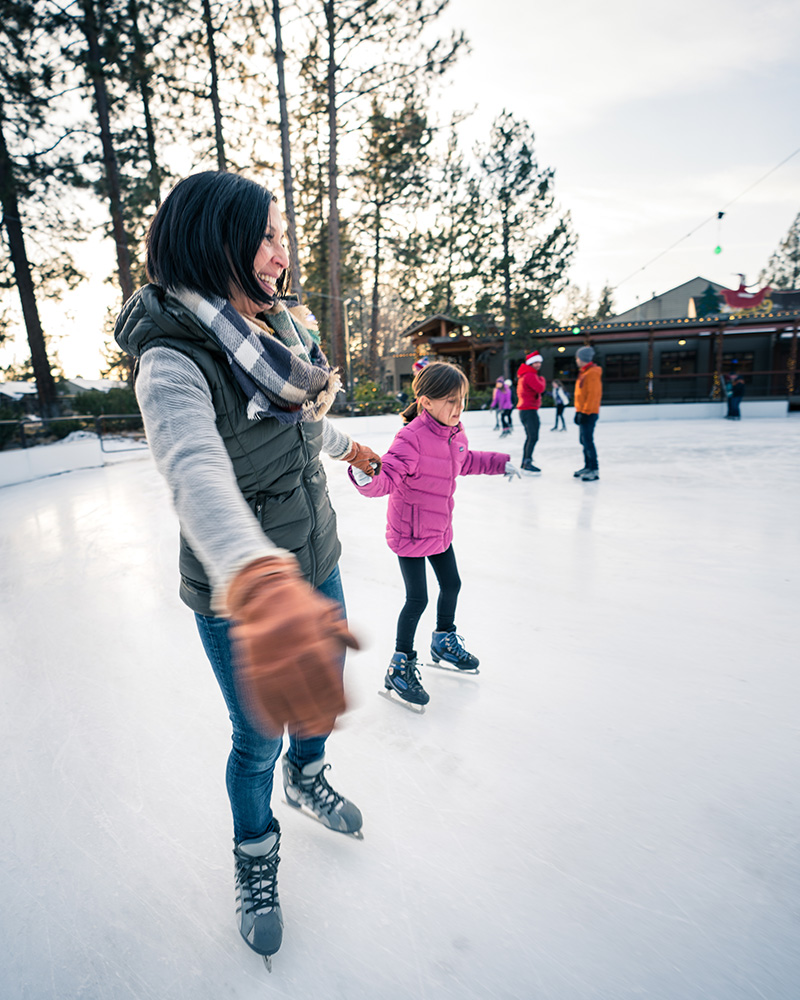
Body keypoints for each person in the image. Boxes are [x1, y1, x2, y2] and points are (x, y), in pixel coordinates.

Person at [113, 170, 383, 968]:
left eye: (281, 235)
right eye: (266, 236)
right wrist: (258, 578)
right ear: (217, 240)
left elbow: (301, 426)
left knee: (317, 706)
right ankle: (256, 859)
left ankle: (311, 777)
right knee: (258, 733)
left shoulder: (281, 330)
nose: (281, 254)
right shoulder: (171, 360)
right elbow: (195, 470)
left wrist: (351, 445)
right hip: (243, 588)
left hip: (316, 554)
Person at [349, 361, 519, 706]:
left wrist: (500, 463)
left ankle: (443, 640)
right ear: (426, 402)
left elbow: (464, 461)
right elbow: (388, 476)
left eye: (462, 401)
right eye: (450, 401)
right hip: (410, 531)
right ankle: (399, 666)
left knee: (452, 584)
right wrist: (367, 476)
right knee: (417, 600)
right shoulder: (410, 438)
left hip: (439, 527)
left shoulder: (455, 432)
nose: (458, 409)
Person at [573, 346, 603, 481]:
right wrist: (578, 411)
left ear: (583, 359)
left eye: (578, 358)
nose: (576, 360)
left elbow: (593, 395)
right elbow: (581, 395)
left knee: (588, 441)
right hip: (583, 411)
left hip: (589, 413)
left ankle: (594, 469)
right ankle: (587, 466)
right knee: (583, 440)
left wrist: (585, 413)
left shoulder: (592, 373)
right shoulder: (584, 372)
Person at [516, 351, 546, 474]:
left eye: (540, 362)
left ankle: (526, 461)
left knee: (531, 437)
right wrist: (542, 379)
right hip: (528, 410)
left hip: (527, 410)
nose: (538, 364)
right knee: (533, 437)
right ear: (531, 363)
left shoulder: (526, 374)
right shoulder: (529, 375)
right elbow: (540, 388)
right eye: (536, 362)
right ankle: (526, 462)